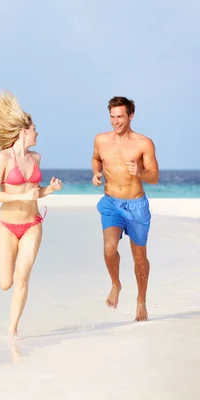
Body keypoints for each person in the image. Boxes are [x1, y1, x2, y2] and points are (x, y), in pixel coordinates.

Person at [0, 90, 63, 338]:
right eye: (34, 128)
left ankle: (12, 330)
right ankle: (9, 271)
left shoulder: (36, 157)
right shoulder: (4, 158)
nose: (37, 133)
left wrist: (48, 189)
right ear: (23, 131)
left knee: (23, 277)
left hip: (32, 224)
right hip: (6, 226)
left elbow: (33, 191)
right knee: (6, 283)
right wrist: (21, 196)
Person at [91, 96, 159, 321]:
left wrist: (139, 172)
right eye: (112, 117)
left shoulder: (143, 143)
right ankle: (116, 284)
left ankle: (141, 300)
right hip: (111, 202)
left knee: (139, 258)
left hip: (136, 205)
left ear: (130, 116)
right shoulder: (101, 139)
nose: (115, 121)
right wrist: (97, 173)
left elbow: (155, 176)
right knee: (109, 248)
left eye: (120, 116)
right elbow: (96, 159)